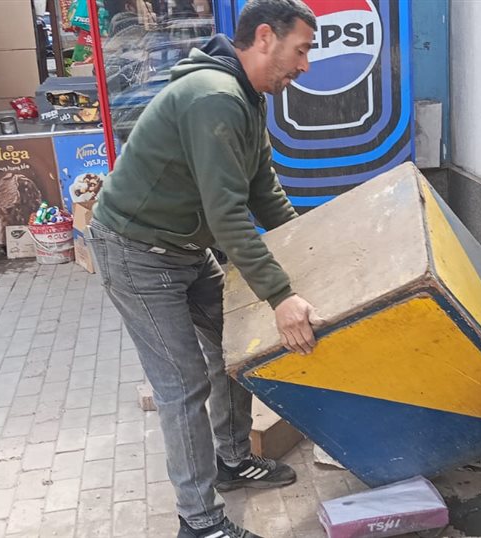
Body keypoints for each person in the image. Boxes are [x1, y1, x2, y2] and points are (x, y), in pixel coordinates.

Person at [87, 1, 318, 536]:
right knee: (183, 383)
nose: (305, 66)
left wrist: (309, 247)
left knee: (234, 348)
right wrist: (280, 295)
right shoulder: (213, 97)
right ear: (266, 37)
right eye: (302, 50)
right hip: (136, 251)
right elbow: (227, 215)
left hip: (185, 249)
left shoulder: (247, 98)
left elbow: (263, 192)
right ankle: (199, 521)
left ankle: (232, 460)